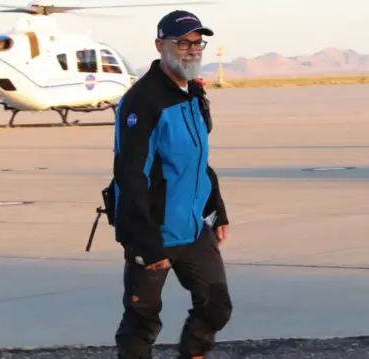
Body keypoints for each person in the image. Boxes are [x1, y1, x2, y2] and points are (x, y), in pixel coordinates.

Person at [111, 9, 232, 359]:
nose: (193, 50)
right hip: (153, 230)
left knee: (216, 307)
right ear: (160, 45)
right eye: (183, 42)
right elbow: (130, 175)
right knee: (142, 320)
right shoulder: (143, 101)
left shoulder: (193, 94)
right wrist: (147, 244)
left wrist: (218, 211)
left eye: (198, 43)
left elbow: (198, 161)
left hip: (193, 228)